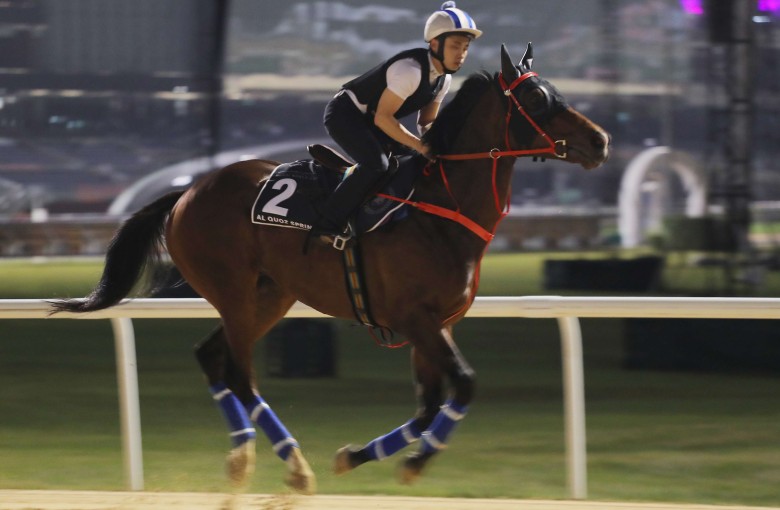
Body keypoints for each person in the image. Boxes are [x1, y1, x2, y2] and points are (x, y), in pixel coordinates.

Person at [311, 1, 482, 245]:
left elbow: (427, 121)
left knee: (415, 162)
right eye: (455, 46)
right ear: (435, 44)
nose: (461, 54)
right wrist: (420, 145)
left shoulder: (443, 80)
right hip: (344, 115)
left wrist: (438, 146)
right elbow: (383, 118)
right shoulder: (409, 71)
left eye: (465, 48)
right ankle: (327, 224)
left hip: (372, 122)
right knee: (377, 165)